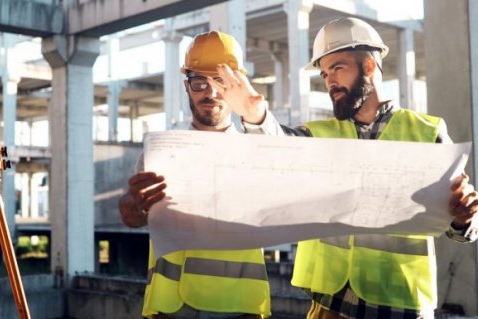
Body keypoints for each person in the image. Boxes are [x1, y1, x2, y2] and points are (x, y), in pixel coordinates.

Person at [210, 17, 478, 319]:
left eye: (337, 68)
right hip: (329, 305)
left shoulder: (427, 132)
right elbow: (280, 150)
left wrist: (463, 218)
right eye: (324, 74)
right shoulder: (319, 133)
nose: (329, 82)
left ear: (368, 67)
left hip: (399, 305)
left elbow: (466, 230)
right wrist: (255, 114)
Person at [119, 31, 283, 319]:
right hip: (170, 307)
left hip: (241, 306)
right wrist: (131, 211)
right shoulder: (159, 154)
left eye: (221, 81)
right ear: (187, 86)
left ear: (237, 85)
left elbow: (288, 180)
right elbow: (140, 217)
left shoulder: (259, 151)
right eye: (200, 82)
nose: (211, 92)